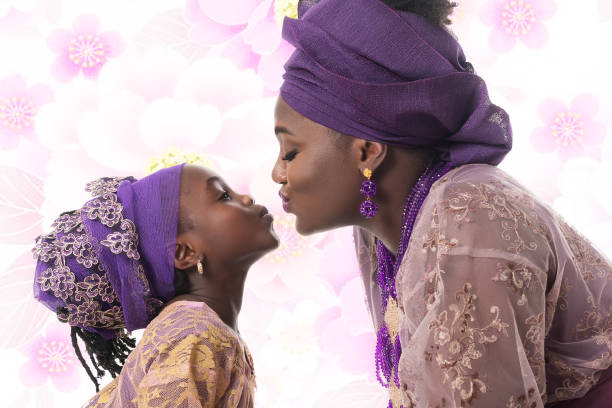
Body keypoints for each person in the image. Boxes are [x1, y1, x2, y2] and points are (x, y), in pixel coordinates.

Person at [271, 0, 612, 406]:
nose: (277, 172)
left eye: (290, 151)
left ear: (367, 152)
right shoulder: (384, 233)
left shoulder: (468, 216)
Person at [32, 163, 278, 407]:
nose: (246, 198)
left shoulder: (199, 327)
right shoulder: (194, 333)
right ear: (184, 253)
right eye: (224, 196)